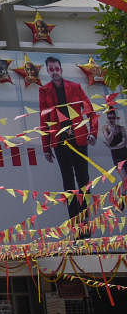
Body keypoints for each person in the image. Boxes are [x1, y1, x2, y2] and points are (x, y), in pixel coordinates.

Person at [39, 56, 98, 223]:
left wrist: (93, 132)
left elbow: (90, 112)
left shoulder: (75, 87)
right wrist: (46, 147)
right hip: (59, 142)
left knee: (83, 179)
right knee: (68, 181)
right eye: (51, 69)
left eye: (57, 68)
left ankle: (85, 217)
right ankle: (74, 220)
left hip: (79, 139)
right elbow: (44, 120)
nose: (54, 71)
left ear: (61, 69)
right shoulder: (44, 91)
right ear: (48, 71)